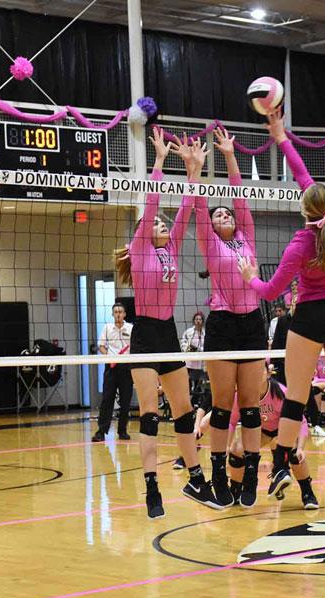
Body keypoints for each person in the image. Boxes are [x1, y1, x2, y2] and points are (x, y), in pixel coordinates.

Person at [240, 108, 325, 501]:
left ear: (305, 209)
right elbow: (304, 176)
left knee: (295, 395)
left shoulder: (301, 242)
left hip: (311, 316)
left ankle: (279, 465)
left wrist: (250, 279)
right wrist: (281, 137)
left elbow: (272, 289)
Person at [113, 130, 220, 518]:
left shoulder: (173, 245)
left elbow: (187, 209)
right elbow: (152, 199)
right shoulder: (142, 248)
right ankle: (151, 489)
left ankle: (195, 477)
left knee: (185, 411)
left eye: (161, 224)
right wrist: (159, 160)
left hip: (168, 332)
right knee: (149, 414)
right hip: (144, 335)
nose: (160, 225)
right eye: (155, 223)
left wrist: (195, 170)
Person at [194, 127, 268, 509]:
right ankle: (218, 474)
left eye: (227, 213)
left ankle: (252, 473)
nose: (223, 215)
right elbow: (197, 205)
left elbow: (241, 198)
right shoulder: (210, 244)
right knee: (223, 406)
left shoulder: (249, 238)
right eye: (217, 213)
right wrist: (196, 170)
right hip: (222, 324)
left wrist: (229, 155)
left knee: (251, 405)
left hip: (252, 322)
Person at [218, 366, 320, 510]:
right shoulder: (241, 394)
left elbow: (301, 420)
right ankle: (235, 489)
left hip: (283, 430)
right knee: (236, 449)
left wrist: (301, 448)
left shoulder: (280, 393)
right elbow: (232, 421)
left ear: (268, 373)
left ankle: (307, 493)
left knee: (294, 453)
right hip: (262, 431)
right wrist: (226, 446)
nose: (258, 373)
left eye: (262, 369)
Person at [92, 303, 134, 442]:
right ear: (112, 314)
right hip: (111, 368)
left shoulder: (131, 328)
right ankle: (101, 431)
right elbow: (101, 346)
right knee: (107, 399)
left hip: (126, 368)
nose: (118, 314)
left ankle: (122, 431)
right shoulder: (107, 328)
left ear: (124, 314)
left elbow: (134, 346)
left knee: (125, 401)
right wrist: (109, 357)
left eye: (120, 311)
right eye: (115, 312)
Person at [181, 310, 207, 402]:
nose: (198, 321)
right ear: (194, 320)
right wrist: (187, 348)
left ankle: (196, 400)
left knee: (198, 383)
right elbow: (183, 343)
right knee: (187, 380)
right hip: (190, 362)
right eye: (196, 319)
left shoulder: (205, 333)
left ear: (202, 321)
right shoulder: (188, 332)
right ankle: (188, 399)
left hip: (201, 363)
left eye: (200, 319)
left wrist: (199, 349)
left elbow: (207, 346)